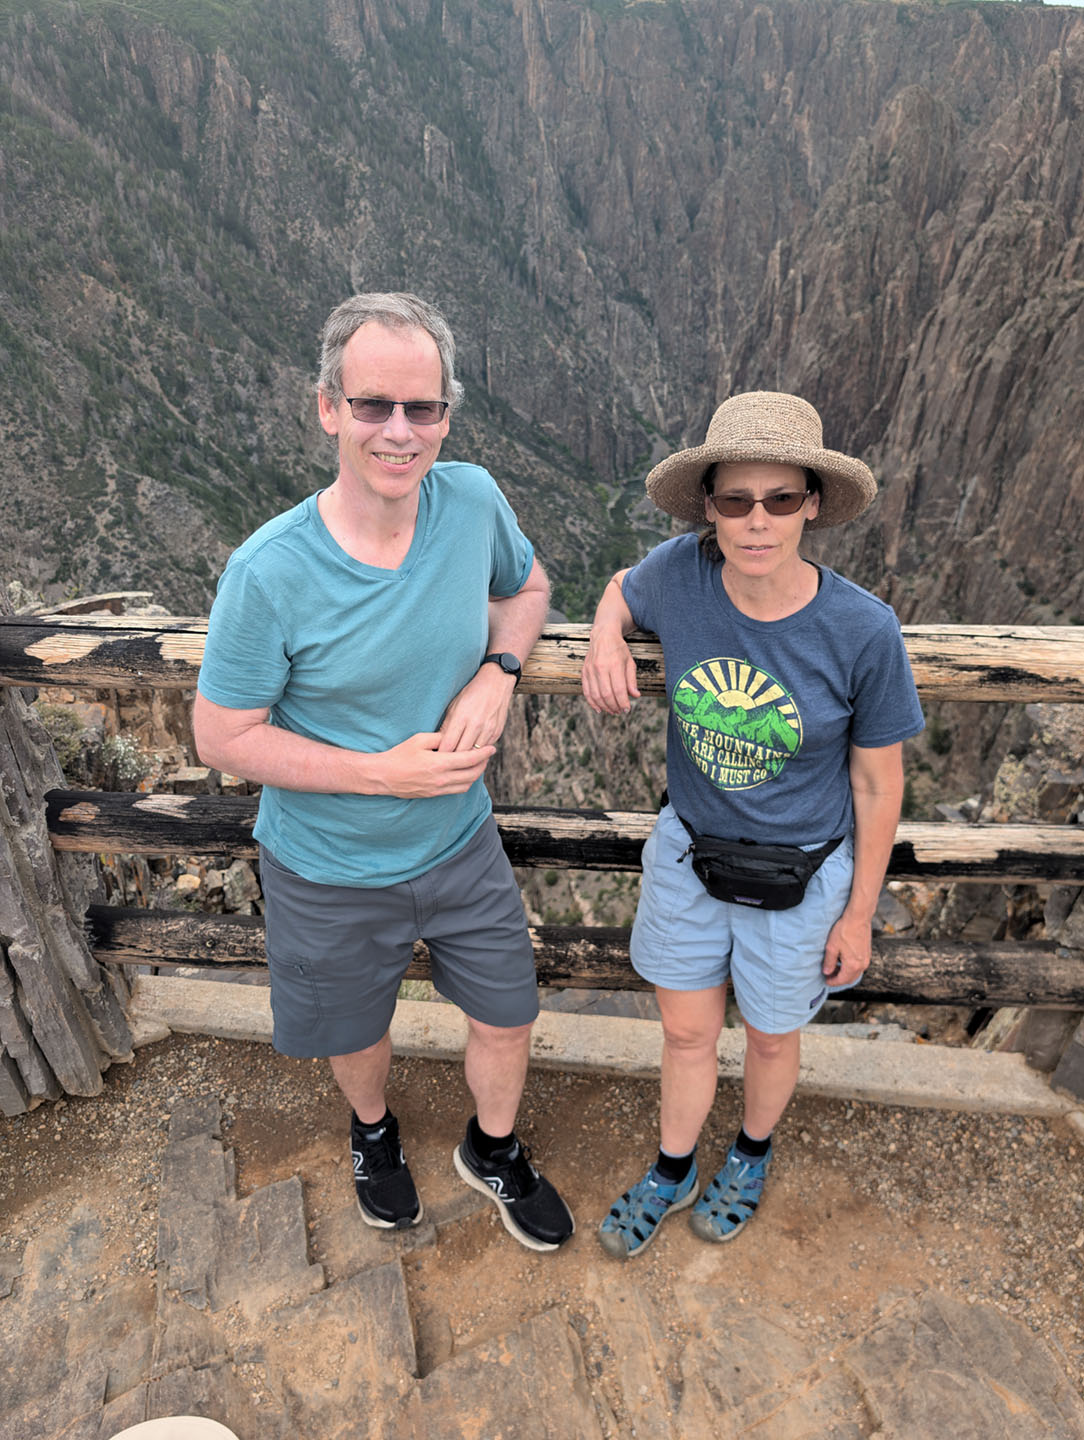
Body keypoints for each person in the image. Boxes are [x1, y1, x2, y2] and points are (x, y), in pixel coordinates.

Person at [193, 292, 573, 1253]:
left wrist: (500, 669)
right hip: (326, 863)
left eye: (423, 408)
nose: (400, 432)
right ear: (329, 408)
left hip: (459, 841)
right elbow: (223, 736)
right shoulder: (268, 572)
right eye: (374, 406)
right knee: (355, 1029)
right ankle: (373, 1134)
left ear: (446, 413)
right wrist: (380, 776)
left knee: (508, 1012)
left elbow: (526, 587)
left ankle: (492, 1149)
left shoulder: (473, 499)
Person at [582, 391, 923, 1259]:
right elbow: (623, 587)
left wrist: (858, 914)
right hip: (691, 852)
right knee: (688, 1031)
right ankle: (674, 1168)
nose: (757, 520)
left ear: (812, 502)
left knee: (772, 1036)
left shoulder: (862, 630)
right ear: (710, 507)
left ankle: (751, 1155)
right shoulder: (683, 574)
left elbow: (879, 784)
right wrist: (604, 637)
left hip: (804, 876)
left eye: (779, 499)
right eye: (735, 500)